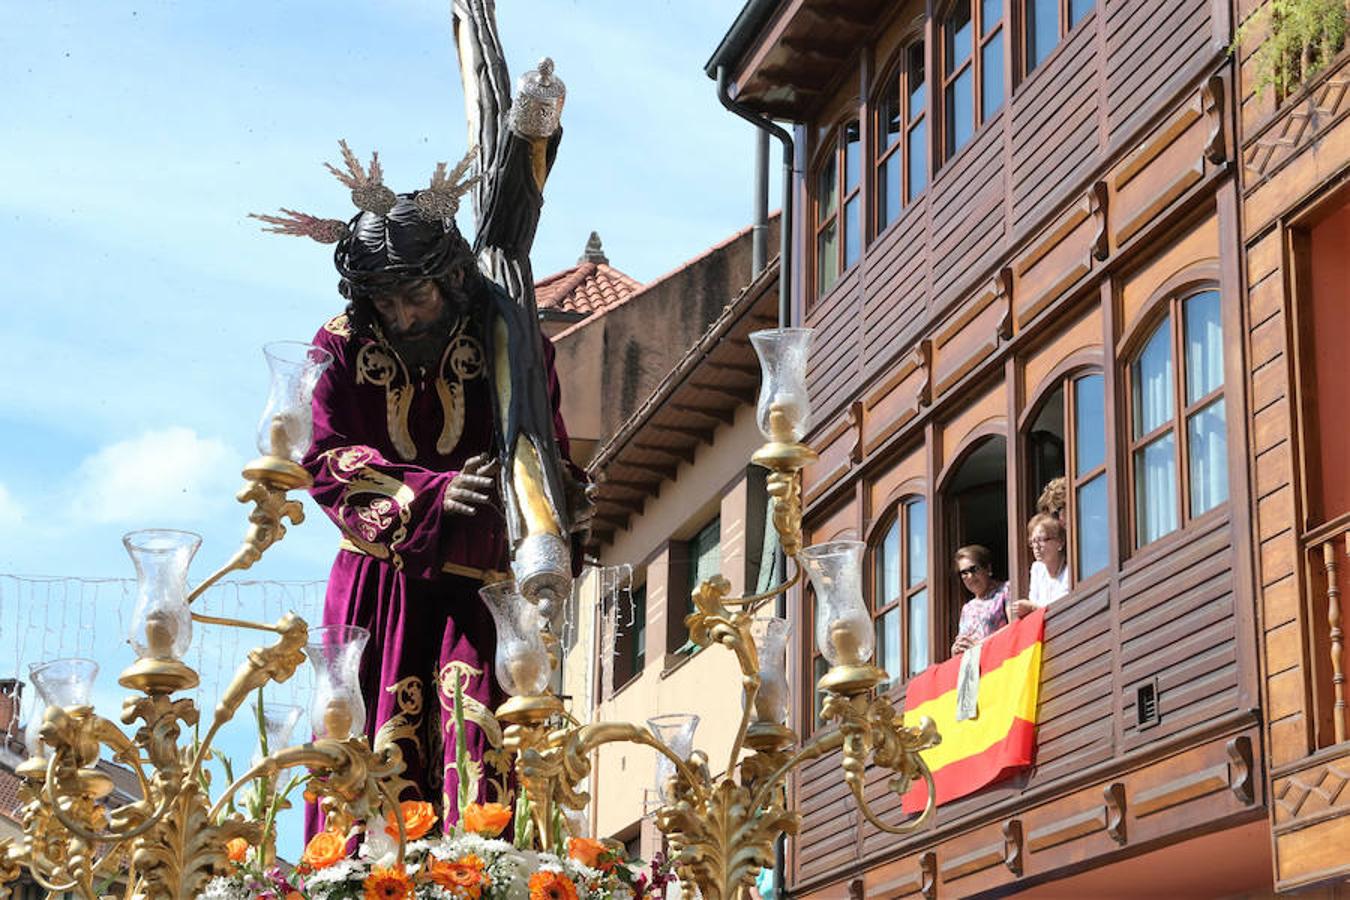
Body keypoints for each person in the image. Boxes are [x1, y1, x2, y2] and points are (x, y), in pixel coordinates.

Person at [254, 130, 591, 837]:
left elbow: (542, 446)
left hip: (484, 592)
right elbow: (323, 458)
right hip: (381, 590)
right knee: (369, 757)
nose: (403, 315)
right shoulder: (341, 342)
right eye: (386, 301)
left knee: (481, 757)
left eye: (415, 296)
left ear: (451, 279)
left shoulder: (511, 339)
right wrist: (433, 494)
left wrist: (564, 497)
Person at [950, 545, 1010, 656]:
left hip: (1001, 660)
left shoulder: (1006, 590)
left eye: (974, 569)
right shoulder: (967, 608)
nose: (970, 576)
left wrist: (980, 645)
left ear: (988, 569)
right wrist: (956, 649)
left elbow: (1014, 626)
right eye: (964, 573)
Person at [1011, 513, 1070, 619]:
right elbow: (1033, 603)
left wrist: (1032, 607)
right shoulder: (1037, 569)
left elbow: (1064, 607)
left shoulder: (1070, 571)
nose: (1036, 547)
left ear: (1060, 542)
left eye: (1042, 540)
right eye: (1033, 541)